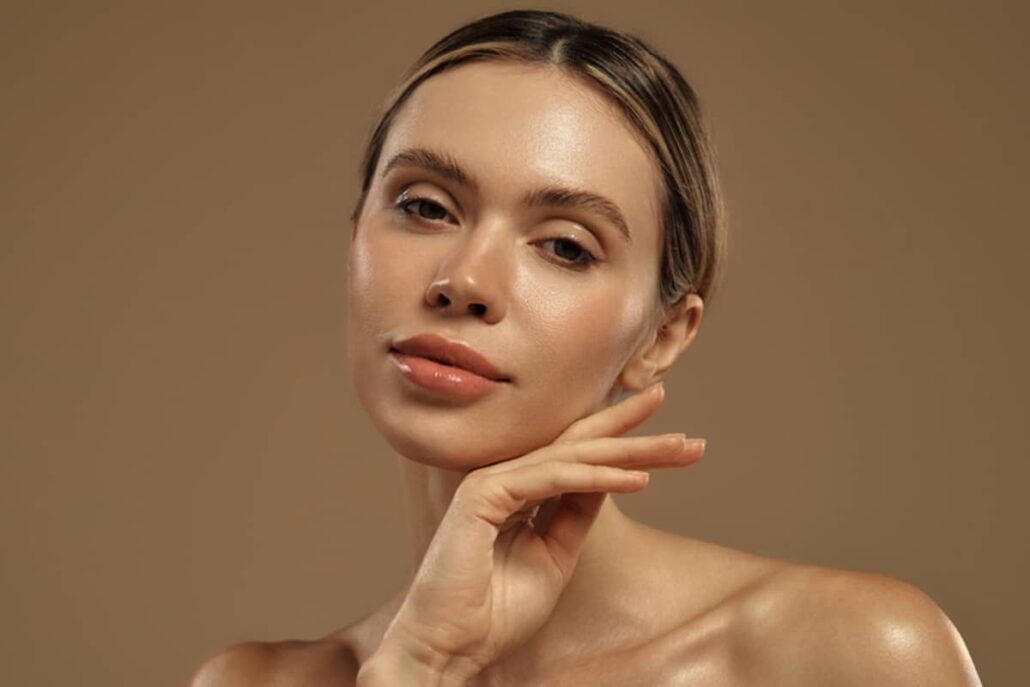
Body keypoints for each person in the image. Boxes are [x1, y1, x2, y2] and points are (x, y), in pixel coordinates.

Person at [190, 9, 982, 686]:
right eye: (425, 205)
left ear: (662, 337)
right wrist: (419, 666)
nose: (464, 279)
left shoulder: (842, 655)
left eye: (566, 247)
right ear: (356, 236)